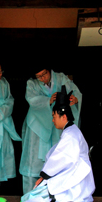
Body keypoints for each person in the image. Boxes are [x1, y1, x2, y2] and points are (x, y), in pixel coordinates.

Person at [21, 86, 95, 202]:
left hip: (75, 179)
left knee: (38, 197)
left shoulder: (71, 135)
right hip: (73, 173)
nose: (52, 120)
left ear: (63, 117)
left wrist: (44, 176)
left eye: (54, 117)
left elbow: (61, 157)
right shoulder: (70, 131)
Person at [19, 66, 82, 194]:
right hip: (37, 124)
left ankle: (56, 194)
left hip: (57, 124)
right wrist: (48, 100)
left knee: (58, 154)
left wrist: (74, 99)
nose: (42, 78)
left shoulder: (61, 78)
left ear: (49, 70)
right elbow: (32, 100)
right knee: (34, 159)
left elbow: (75, 93)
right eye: (39, 76)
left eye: (44, 74)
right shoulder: (31, 83)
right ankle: (31, 194)